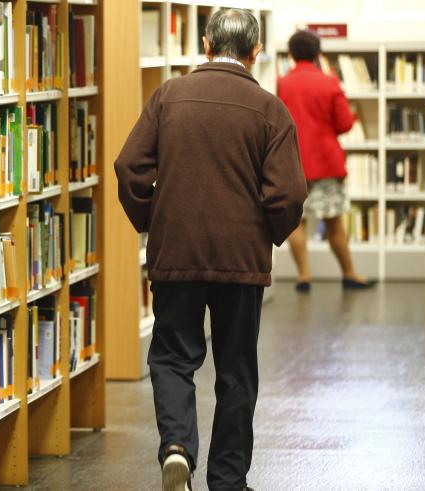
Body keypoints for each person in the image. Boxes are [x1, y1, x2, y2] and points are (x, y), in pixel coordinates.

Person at [114, 8, 306, 491]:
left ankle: (177, 447)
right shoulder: (269, 110)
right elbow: (289, 193)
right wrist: (266, 234)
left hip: (176, 253)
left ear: (205, 45)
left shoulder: (168, 97)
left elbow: (129, 169)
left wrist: (155, 221)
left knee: (174, 356)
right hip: (241, 261)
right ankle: (228, 479)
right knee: (237, 368)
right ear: (256, 51)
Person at [277, 30, 374, 291]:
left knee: (298, 222)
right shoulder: (330, 82)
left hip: (294, 164)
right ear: (318, 54)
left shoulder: (282, 84)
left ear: (291, 55)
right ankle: (349, 274)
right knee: (335, 223)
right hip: (327, 164)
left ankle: (304, 277)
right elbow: (343, 124)